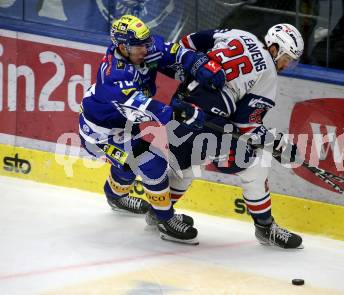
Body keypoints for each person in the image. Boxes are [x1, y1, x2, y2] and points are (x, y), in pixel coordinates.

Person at [152, 24, 304, 249]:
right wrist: (278, 144)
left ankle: (159, 214)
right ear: (274, 48)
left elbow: (188, 43)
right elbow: (246, 125)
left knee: (185, 165)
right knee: (254, 166)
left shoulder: (240, 34)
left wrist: (196, 71)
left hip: (181, 105)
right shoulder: (269, 74)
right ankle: (265, 228)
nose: (286, 64)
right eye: (286, 57)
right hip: (208, 122)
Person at [78, 15, 224, 244]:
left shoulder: (143, 47)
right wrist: (179, 113)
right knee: (151, 163)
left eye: (146, 43)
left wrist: (198, 63)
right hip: (100, 134)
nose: (146, 49)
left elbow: (173, 52)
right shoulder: (115, 77)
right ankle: (165, 220)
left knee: (127, 166)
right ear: (122, 47)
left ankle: (115, 198)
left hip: (124, 124)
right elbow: (145, 106)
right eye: (139, 46)